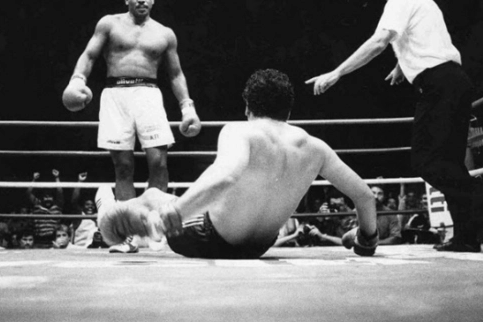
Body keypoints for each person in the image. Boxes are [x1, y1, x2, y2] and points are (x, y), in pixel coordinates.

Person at [305, 0, 483, 253]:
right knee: (449, 163)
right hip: (454, 81)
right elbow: (426, 40)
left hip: (439, 86)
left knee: (425, 161)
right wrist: (403, 66)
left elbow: (378, 42)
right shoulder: (423, 0)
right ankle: (467, 237)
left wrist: (337, 73)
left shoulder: (397, 1)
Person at [95, 69, 378, 259]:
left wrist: (173, 214)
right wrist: (367, 239)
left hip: (208, 240)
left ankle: (108, 207)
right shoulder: (317, 148)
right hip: (259, 247)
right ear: (289, 110)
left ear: (247, 108)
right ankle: (130, 217)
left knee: (154, 196)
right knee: (168, 202)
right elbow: (364, 196)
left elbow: (226, 177)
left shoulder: (240, 130)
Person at [62, 0, 202, 253]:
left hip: (149, 94)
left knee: (158, 162)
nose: (141, 0)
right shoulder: (109, 24)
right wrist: (77, 80)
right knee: (123, 167)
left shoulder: (164, 33)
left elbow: (175, 74)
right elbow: (89, 56)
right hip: (116, 95)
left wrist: (188, 107)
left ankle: (157, 228)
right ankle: (128, 235)